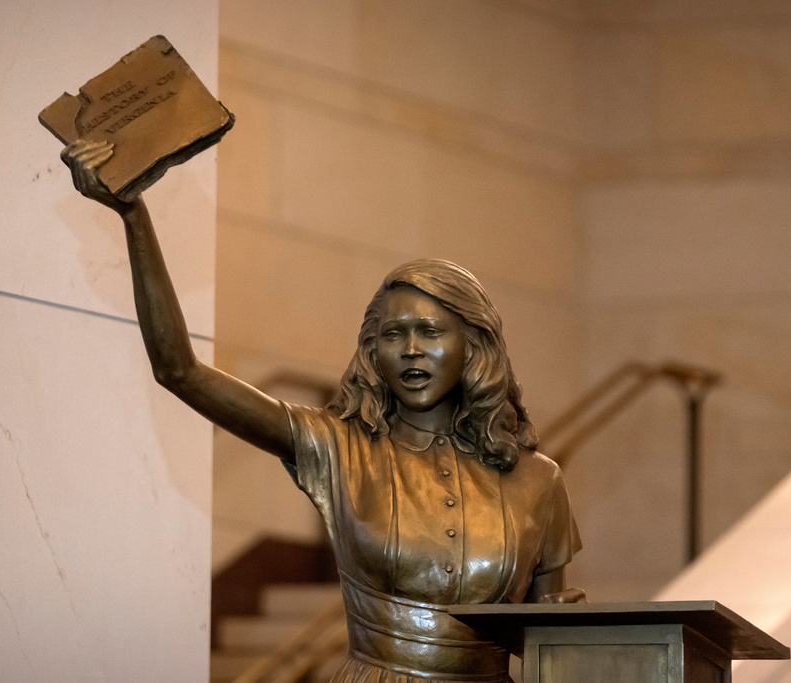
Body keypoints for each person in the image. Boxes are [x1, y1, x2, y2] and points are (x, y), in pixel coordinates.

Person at [62, 139, 583, 683]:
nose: (409, 349)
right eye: (392, 335)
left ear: (472, 346)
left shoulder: (537, 482)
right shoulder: (338, 447)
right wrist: (133, 215)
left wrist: (571, 632)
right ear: (372, 350)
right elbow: (180, 371)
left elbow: (548, 641)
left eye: (429, 333)